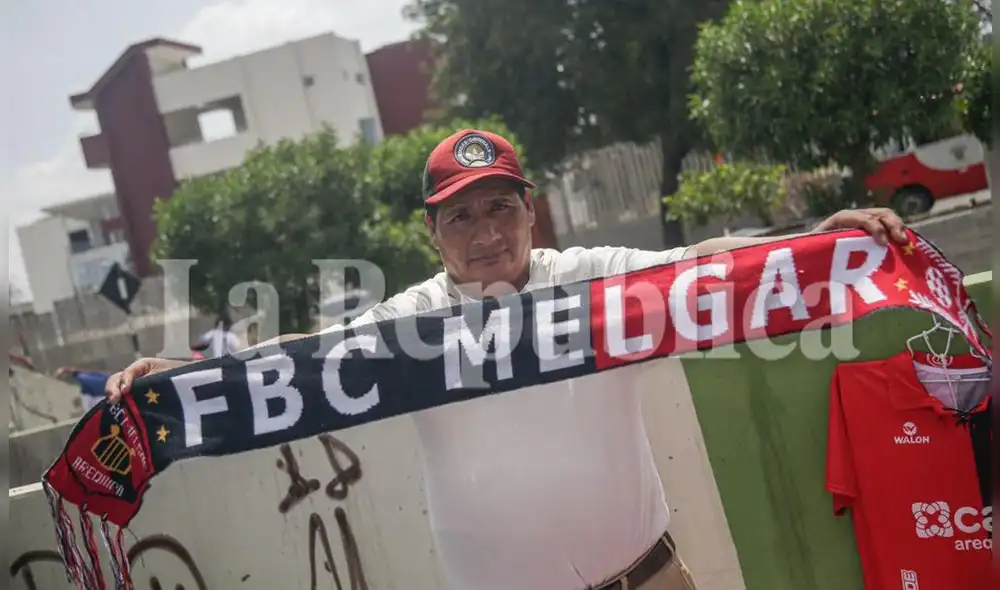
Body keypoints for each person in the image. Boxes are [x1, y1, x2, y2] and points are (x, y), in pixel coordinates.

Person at [107, 129, 910, 590]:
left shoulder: (593, 282)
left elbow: (705, 265)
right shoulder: (412, 324)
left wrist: (816, 244)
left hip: (654, 580)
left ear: (531, 210)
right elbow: (305, 360)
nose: (486, 232)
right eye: (462, 218)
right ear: (433, 233)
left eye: (500, 207)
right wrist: (179, 381)